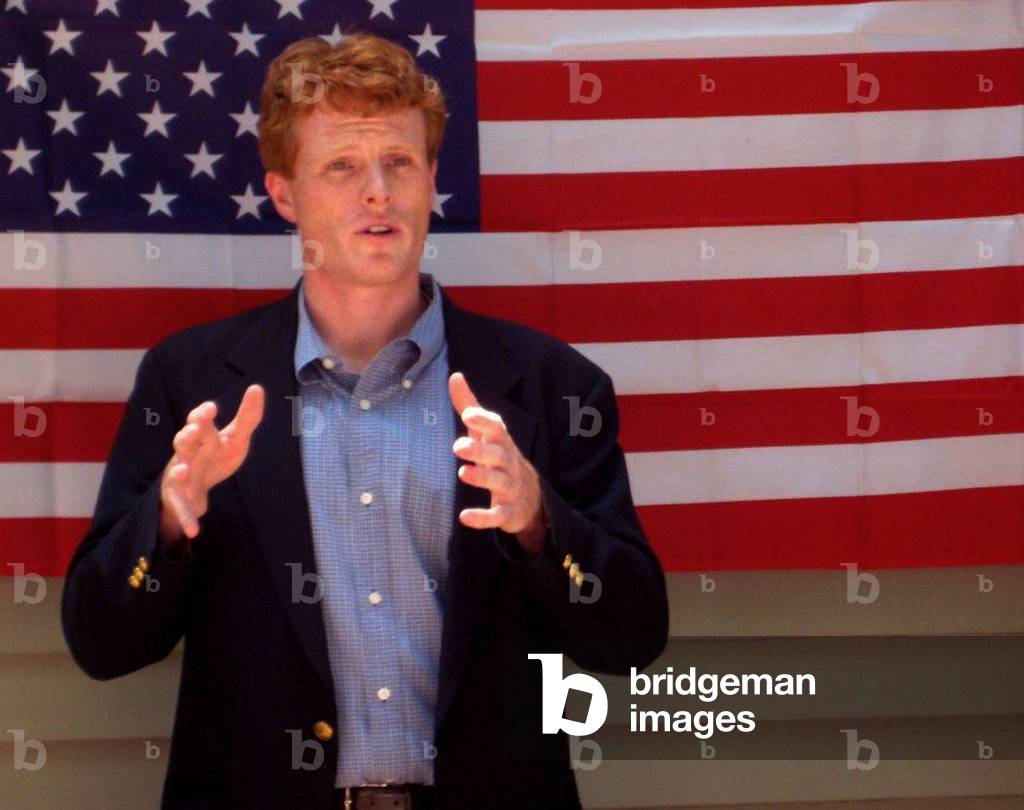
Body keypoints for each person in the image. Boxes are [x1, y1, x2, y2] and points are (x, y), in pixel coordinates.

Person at [61, 31, 669, 810]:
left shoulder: (553, 387)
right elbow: (101, 644)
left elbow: (633, 637)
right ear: (284, 193)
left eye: (400, 162)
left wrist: (540, 525)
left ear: (431, 178)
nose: (377, 191)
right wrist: (168, 522)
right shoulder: (190, 384)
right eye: (342, 166)